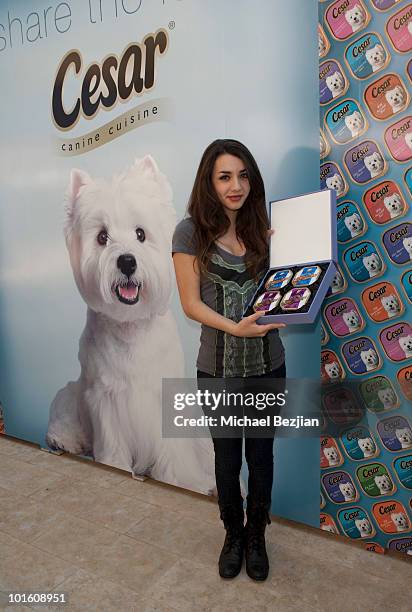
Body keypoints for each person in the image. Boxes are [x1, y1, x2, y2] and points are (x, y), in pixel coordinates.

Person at [172, 139, 286, 581]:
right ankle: (232, 534)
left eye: (242, 175)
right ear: (210, 182)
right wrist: (235, 327)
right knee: (226, 458)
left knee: (262, 457)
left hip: (268, 365)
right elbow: (189, 304)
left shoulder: (266, 230)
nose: (235, 185)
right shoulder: (189, 232)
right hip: (217, 369)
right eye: (225, 177)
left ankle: (256, 534)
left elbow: (288, 293)